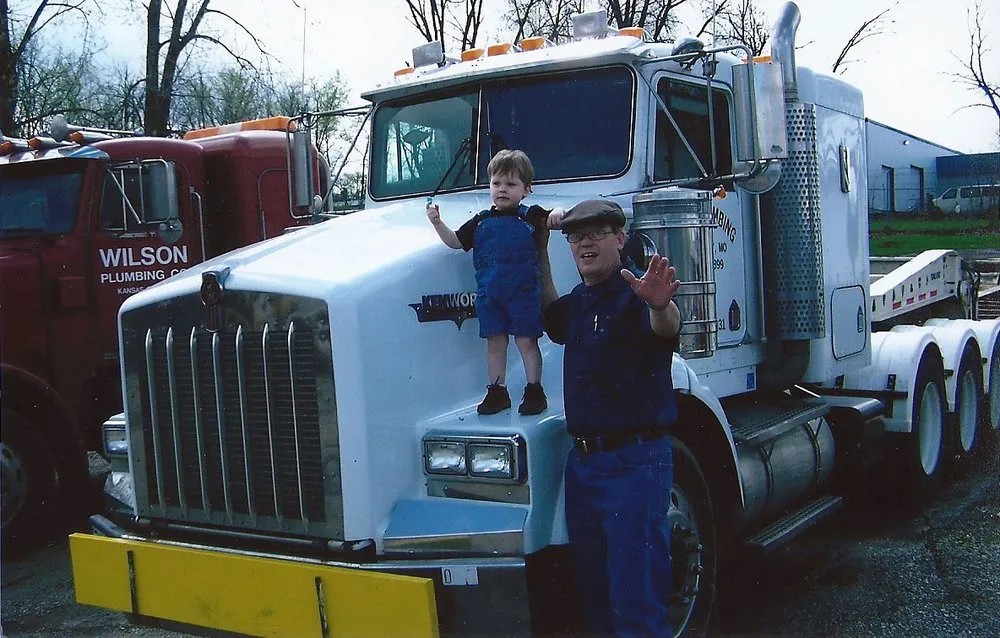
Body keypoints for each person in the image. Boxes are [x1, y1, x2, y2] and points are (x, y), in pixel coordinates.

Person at [538, 198, 682, 636]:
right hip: (584, 467)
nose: (585, 243)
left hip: (633, 465)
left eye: (596, 234)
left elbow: (665, 327)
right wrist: (540, 248)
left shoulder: (636, 294)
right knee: (595, 596)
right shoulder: (579, 302)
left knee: (635, 599)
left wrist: (661, 306)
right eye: (575, 236)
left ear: (620, 239)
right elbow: (552, 318)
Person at [426, 149, 564, 415]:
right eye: (496, 183)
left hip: (523, 294)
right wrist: (437, 223)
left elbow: (551, 218)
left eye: (511, 184)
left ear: (526, 189)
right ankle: (497, 391)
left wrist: (558, 212)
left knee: (526, 341)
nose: (502, 189)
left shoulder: (530, 216)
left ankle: (534, 390)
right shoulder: (480, 221)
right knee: (495, 343)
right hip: (490, 296)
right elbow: (455, 241)